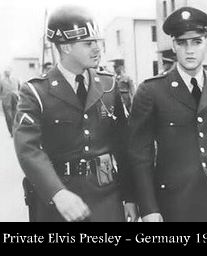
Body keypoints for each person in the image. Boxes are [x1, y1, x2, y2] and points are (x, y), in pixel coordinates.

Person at [13, 5, 137, 222]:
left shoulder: (108, 85)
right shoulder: (35, 92)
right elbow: (28, 149)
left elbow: (123, 145)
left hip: (107, 200)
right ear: (66, 47)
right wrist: (57, 193)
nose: (97, 49)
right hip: (60, 204)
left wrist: (129, 196)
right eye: (88, 43)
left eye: (98, 42)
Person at [128, 7, 207, 222]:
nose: (190, 50)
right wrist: (149, 208)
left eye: (197, 42)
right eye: (182, 43)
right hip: (174, 203)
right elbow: (140, 156)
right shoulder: (152, 91)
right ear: (173, 45)